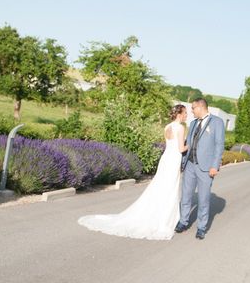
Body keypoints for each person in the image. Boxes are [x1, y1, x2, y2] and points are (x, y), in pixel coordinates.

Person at [78, 104, 188, 240]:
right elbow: (181, 148)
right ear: (179, 114)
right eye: (185, 113)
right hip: (173, 160)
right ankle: (164, 219)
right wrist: (192, 144)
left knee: (160, 186)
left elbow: (169, 145)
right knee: (170, 188)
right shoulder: (181, 127)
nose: (186, 115)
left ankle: (156, 213)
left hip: (166, 158)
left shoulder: (167, 127)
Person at [175, 98, 225, 240]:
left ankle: (201, 227)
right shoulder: (192, 123)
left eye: (193, 108)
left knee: (203, 199)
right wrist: (182, 163)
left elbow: (219, 145)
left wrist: (215, 166)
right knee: (186, 195)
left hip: (206, 168)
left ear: (200, 107)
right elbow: (188, 144)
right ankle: (183, 222)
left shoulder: (217, 122)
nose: (191, 111)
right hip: (190, 165)